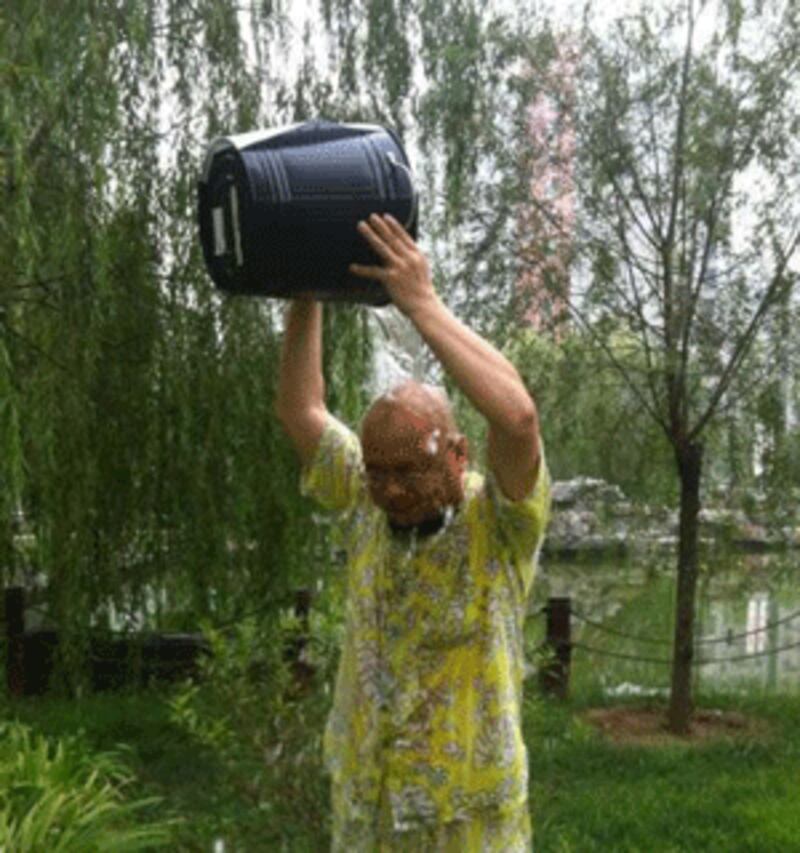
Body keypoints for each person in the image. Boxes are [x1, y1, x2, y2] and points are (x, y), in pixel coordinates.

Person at [275, 212, 551, 852]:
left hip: (466, 818)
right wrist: (306, 289)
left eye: (409, 471)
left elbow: (518, 419)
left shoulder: (501, 523)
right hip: (368, 805)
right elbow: (301, 409)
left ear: (457, 455)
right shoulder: (367, 502)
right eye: (378, 472)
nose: (391, 489)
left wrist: (422, 303)